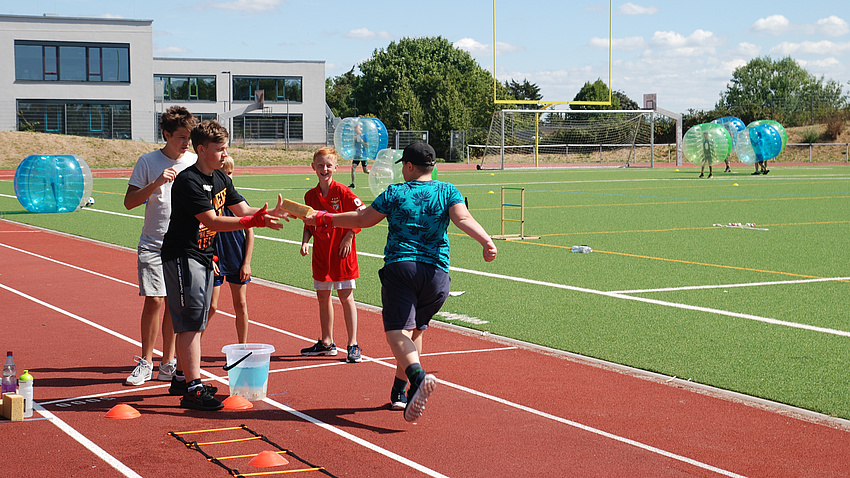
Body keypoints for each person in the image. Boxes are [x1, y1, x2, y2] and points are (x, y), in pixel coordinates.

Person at [303, 142, 498, 422]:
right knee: (415, 332)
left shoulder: (395, 192)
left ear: (408, 166)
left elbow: (364, 219)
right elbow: (462, 217)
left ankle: (417, 379)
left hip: (402, 269)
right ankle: (399, 392)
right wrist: (486, 241)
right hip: (437, 276)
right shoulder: (447, 190)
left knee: (396, 334)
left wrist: (326, 219)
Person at [161, 120, 288, 411]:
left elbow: (243, 210)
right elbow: (213, 221)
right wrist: (252, 221)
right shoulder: (188, 181)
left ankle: (182, 377)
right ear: (202, 149)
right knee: (191, 320)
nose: (224, 154)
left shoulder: (221, 179)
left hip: (204, 255)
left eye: (225, 148)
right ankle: (193, 389)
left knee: (200, 317)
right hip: (183, 254)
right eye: (219, 149)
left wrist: (270, 212)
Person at [123, 106, 197, 386]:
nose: (185, 142)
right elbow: (129, 202)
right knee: (155, 300)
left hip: (183, 245)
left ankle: (168, 363)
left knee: (174, 306)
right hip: (153, 244)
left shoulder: (193, 162)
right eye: (180, 137)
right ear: (166, 134)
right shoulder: (147, 161)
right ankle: (145, 361)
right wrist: (156, 183)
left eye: (188, 137)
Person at [300, 147, 366, 363]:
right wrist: (305, 242)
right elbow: (308, 223)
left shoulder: (343, 192)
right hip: (321, 254)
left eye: (329, 165)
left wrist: (349, 236)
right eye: (320, 165)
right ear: (313, 167)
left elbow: (362, 215)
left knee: (346, 296)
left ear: (336, 168)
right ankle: (327, 342)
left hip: (341, 254)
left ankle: (353, 344)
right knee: (323, 297)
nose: (324, 169)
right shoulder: (310, 195)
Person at [206, 156, 255, 344]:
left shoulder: (238, 201)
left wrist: (247, 262)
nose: (228, 177)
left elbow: (250, 233)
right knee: (211, 306)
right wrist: (209, 258)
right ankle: (191, 347)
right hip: (216, 258)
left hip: (237, 258)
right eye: (223, 173)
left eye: (230, 173)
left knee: (241, 304)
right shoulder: (209, 202)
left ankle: (242, 346)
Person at [349, 122, 369, 188]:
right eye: (355, 129)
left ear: (360, 129)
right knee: (353, 168)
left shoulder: (364, 136)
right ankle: (353, 184)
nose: (355, 130)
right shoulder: (355, 137)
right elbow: (354, 146)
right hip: (357, 155)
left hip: (363, 155)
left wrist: (361, 141)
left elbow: (367, 145)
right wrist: (354, 141)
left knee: (365, 171)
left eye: (356, 128)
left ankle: (374, 174)